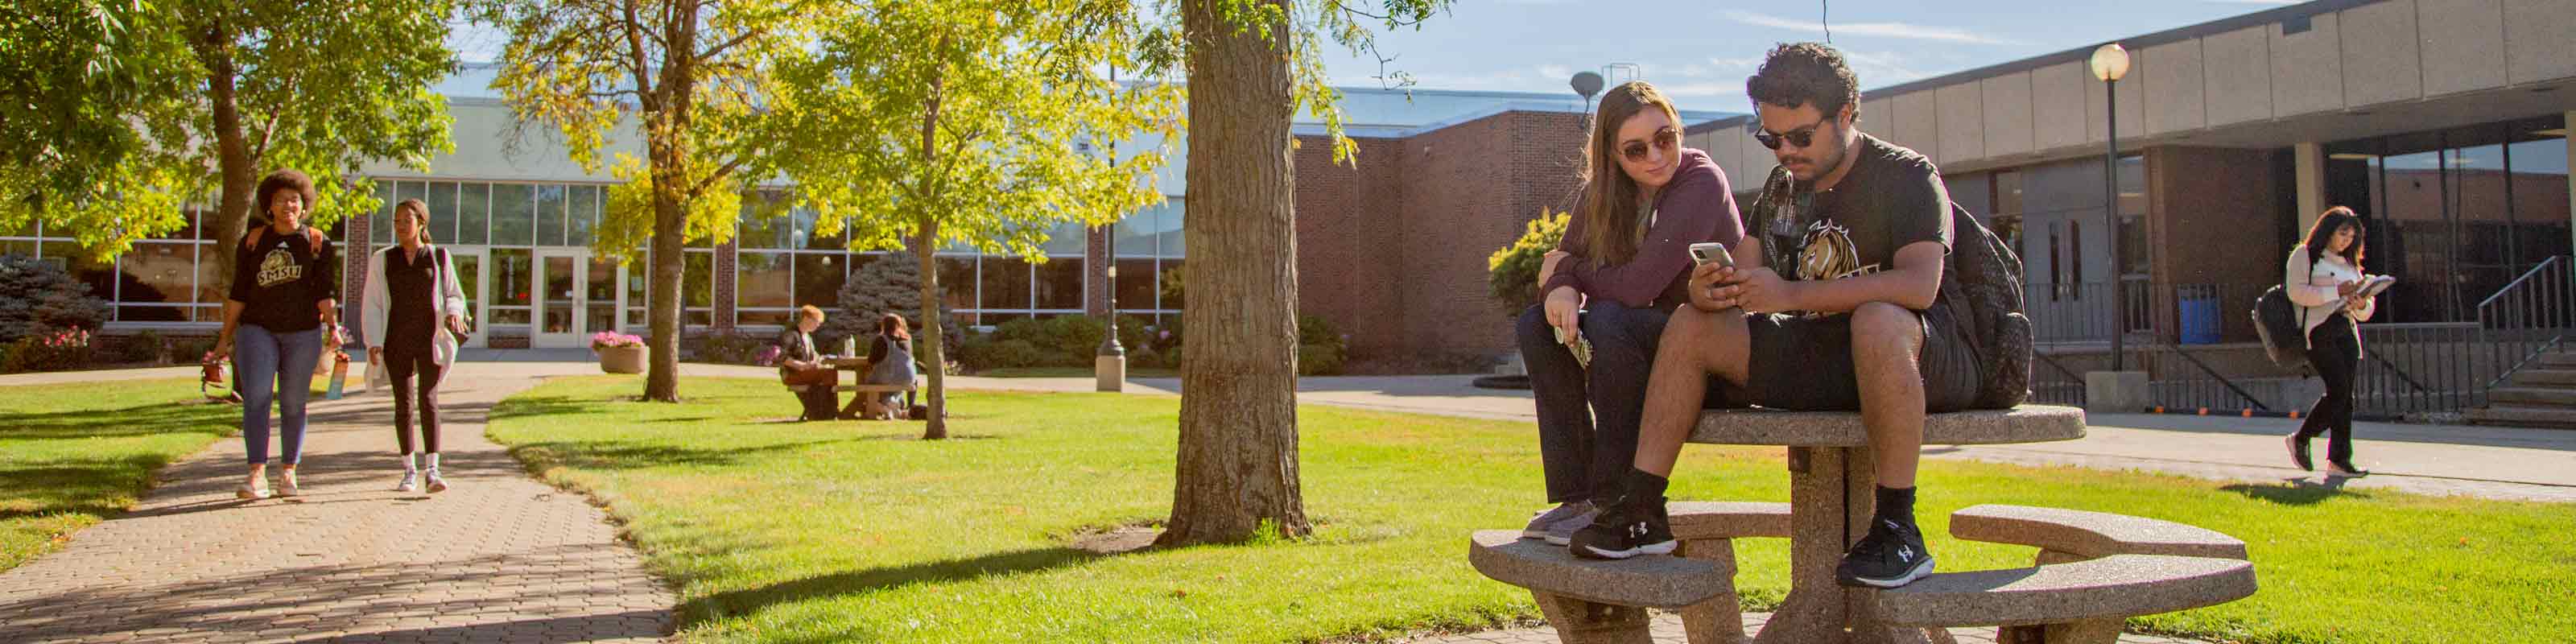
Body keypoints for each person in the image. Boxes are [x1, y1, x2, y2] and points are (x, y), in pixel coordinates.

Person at [1570, 43, 1984, 591]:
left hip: (1923, 356)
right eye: (1771, 138)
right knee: (1693, 325)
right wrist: (1711, 289)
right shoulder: (1782, 187)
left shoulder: (1904, 174)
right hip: (1824, 351)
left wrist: (1787, 295)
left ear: (1844, 116)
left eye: (1800, 137)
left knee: (1877, 320)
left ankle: (1897, 527)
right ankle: (1642, 507)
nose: (1785, 151)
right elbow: (1746, 267)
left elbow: (1919, 284)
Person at [1515, 80, 1744, 546]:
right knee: (1537, 327)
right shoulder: (1601, 195)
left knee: (1610, 318)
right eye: (1636, 150)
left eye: (1666, 139)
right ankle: (1577, 497)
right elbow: (1561, 264)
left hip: (1707, 355)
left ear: (1679, 130)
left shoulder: (1701, 181)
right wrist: (1561, 286)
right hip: (1636, 345)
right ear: (1614, 156)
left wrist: (1568, 272)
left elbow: (1640, 287)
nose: (1656, 157)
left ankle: (1619, 498)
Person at [214, 169, 342, 500]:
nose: (288, 205)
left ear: (304, 206)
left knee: (293, 403)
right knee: (256, 397)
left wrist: (333, 328)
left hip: (303, 333)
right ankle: (256, 473)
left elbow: (325, 291)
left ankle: (288, 473)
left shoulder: (317, 242)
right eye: (280, 199)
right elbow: (239, 292)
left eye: (294, 200)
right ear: (269, 206)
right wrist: (223, 339)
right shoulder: (254, 241)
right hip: (258, 329)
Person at [362, 198, 471, 494]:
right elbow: (372, 303)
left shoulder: (438, 256)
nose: (399, 227)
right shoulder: (383, 259)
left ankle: (433, 469)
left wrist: (453, 311)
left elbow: (455, 294)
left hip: (430, 340)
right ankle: (409, 470)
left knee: (429, 400)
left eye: (405, 221)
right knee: (403, 404)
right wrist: (373, 341)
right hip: (396, 339)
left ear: (421, 223)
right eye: (396, 221)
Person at [2283, 207, 2376, 477]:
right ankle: (2301, 438)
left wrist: (2361, 303)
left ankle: (2339, 460)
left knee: (2346, 397)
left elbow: (2366, 309)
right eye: (2342, 233)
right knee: (2338, 390)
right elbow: (2297, 292)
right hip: (2320, 330)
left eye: (2352, 235)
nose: (2347, 240)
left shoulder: (2348, 262)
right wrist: (2336, 291)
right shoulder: (2305, 255)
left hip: (2347, 329)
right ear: (2328, 230)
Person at [777, 306, 838, 421]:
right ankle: (828, 410)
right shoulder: (791, 335)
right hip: (792, 373)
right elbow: (782, 357)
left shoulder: (807, 337)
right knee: (829, 374)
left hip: (805, 373)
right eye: (817, 321)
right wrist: (803, 366)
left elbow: (814, 356)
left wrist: (822, 360)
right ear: (806, 319)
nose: (818, 325)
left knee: (831, 372)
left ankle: (825, 410)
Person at [861, 313, 919, 419]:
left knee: (870, 383)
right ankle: (905, 406)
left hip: (888, 377)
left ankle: (886, 405)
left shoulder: (881, 339)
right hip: (908, 379)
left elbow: (871, 360)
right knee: (893, 386)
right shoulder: (908, 339)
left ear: (883, 325)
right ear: (899, 325)